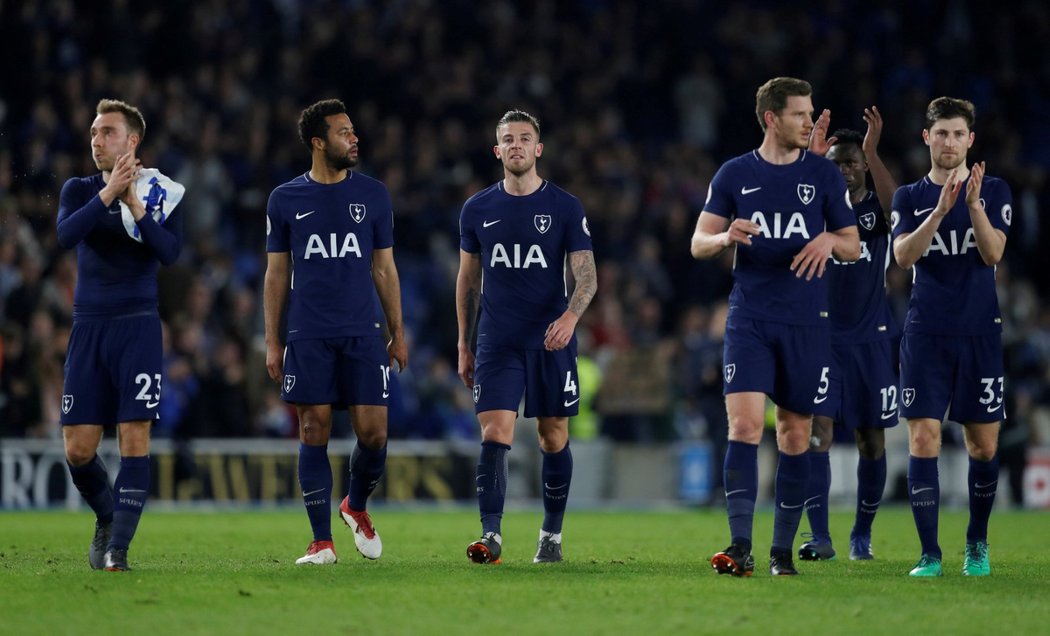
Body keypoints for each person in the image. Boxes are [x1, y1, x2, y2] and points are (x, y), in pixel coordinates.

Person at [690, 77, 860, 576]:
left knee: (794, 433)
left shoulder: (823, 177)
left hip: (807, 322)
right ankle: (739, 544)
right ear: (771, 118)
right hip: (751, 318)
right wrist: (723, 237)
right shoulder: (735, 174)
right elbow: (698, 240)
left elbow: (852, 244)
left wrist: (829, 241)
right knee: (743, 425)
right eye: (799, 114)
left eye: (809, 114)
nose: (809, 122)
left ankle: (781, 552)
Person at [264, 99, 408, 565]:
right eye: (344, 132)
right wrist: (272, 339)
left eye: (354, 130)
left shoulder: (374, 195)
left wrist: (397, 332)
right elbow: (275, 274)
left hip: (363, 332)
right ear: (318, 142)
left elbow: (384, 269)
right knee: (312, 429)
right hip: (308, 333)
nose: (355, 138)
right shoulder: (285, 199)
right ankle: (320, 541)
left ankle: (356, 505)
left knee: (374, 434)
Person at [456, 109, 597, 564]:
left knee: (553, 437)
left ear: (538, 149)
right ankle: (490, 536)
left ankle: (551, 536)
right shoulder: (477, 209)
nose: (516, 145)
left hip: (550, 341)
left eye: (524, 138)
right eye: (507, 139)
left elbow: (587, 276)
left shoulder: (564, 206)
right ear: (497, 151)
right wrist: (464, 341)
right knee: (495, 433)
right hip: (497, 340)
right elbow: (467, 281)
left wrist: (572, 318)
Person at [57, 99, 184, 571]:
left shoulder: (162, 193)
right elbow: (67, 236)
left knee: (134, 437)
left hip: (137, 327)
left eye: (107, 131)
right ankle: (107, 517)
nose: (96, 139)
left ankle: (119, 552)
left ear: (132, 141)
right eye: (93, 132)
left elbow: (170, 253)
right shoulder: (79, 189)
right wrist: (110, 193)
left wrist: (135, 204)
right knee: (77, 448)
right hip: (88, 326)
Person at [891, 97, 1010, 577]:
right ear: (927, 138)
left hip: (979, 332)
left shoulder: (995, 190)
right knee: (923, 438)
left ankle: (976, 544)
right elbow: (902, 258)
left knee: (983, 446)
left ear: (970, 140)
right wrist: (938, 213)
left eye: (958, 134)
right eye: (941, 133)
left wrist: (973, 206)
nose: (949, 142)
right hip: (926, 334)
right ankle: (929, 554)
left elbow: (992, 252)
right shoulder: (908, 197)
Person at [796, 108, 901, 562]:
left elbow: (901, 208)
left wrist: (874, 151)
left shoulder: (875, 213)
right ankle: (820, 537)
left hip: (872, 340)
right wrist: (812, 161)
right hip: (821, 339)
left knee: (870, 440)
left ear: (862, 166)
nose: (844, 169)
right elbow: (791, 208)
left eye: (851, 162)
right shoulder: (816, 205)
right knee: (816, 435)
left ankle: (862, 531)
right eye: (836, 161)